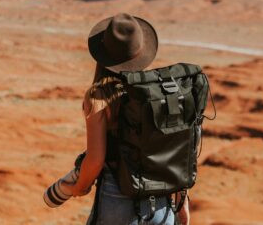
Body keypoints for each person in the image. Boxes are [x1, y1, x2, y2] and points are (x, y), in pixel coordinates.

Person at [71, 13, 190, 225]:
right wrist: (182, 205)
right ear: (141, 53)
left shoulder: (99, 97)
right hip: (161, 207)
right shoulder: (160, 94)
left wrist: (78, 187)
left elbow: (96, 159)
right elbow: (174, 153)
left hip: (117, 203)